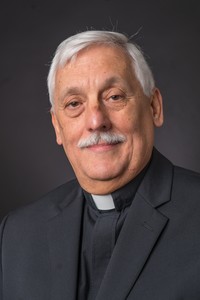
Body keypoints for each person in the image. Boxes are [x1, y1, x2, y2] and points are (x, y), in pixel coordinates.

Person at [1, 30, 200, 300]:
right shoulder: (17, 234)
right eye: (74, 104)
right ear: (57, 127)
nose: (96, 121)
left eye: (114, 97)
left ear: (154, 107)